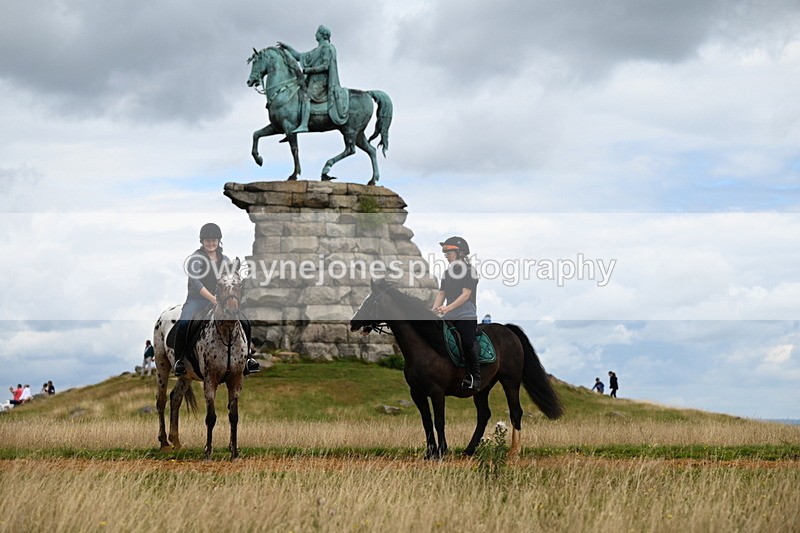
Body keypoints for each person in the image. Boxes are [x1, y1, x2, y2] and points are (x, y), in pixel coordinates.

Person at [173, 223, 260, 377]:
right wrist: (212, 299)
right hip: (197, 299)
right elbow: (196, 283)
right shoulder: (196, 259)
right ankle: (179, 360)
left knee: (244, 321)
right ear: (202, 241)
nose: (211, 243)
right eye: (207, 240)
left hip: (220, 300)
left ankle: (248, 358)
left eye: (214, 240)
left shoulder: (225, 259)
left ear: (219, 241)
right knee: (184, 322)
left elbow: (228, 279)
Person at [277, 24, 349, 132]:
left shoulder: (327, 48)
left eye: (317, 32)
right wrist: (288, 48)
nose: (315, 34)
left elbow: (325, 66)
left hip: (321, 83)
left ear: (322, 35)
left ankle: (304, 125)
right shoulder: (317, 50)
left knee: (305, 96)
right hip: (312, 81)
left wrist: (308, 70)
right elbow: (299, 56)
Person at [432, 236, 481, 391]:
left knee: (467, 343)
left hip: (466, 315)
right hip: (449, 316)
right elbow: (441, 294)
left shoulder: (470, 271)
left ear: (460, 252)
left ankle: (474, 377)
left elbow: (465, 295)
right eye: (444, 251)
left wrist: (447, 308)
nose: (445, 254)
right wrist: (433, 311)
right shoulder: (447, 273)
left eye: (448, 251)